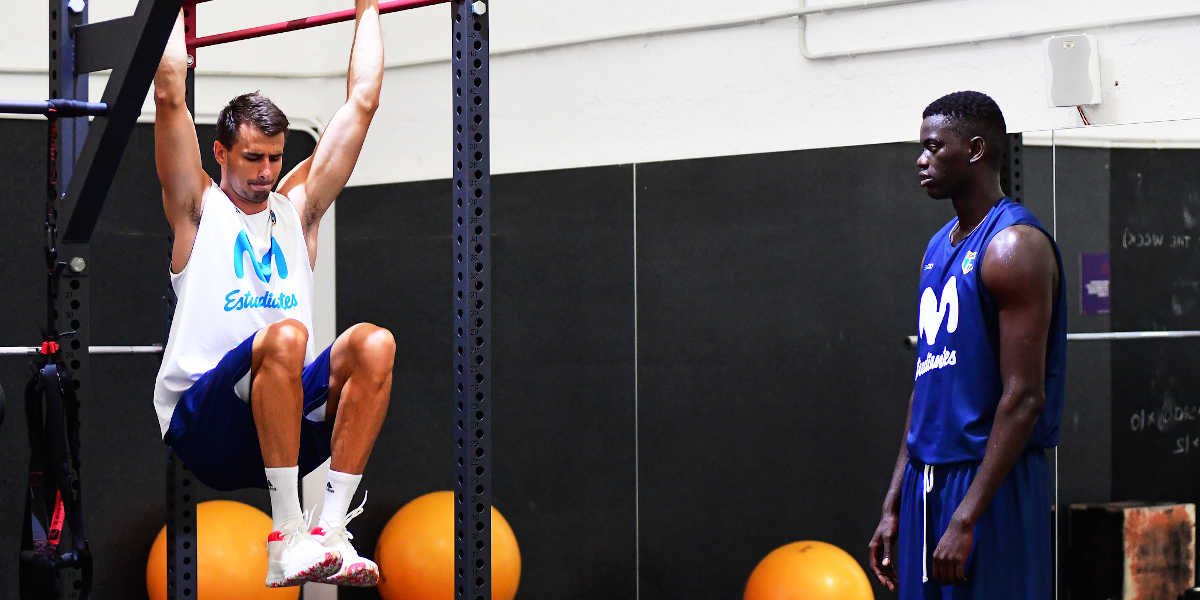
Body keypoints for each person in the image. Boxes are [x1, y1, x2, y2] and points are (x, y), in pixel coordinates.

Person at [151, 0, 392, 588]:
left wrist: (367, 7)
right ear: (220, 152)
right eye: (252, 157)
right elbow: (169, 93)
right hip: (205, 426)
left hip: (281, 423)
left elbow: (362, 101)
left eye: (275, 158)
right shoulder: (197, 209)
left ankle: (328, 532)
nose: (265, 171)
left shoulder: (297, 211)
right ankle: (286, 535)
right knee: (286, 338)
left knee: (374, 344)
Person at [867, 91, 1067, 599]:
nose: (921, 160)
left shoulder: (1013, 246)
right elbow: (927, 382)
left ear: (975, 149)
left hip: (989, 481)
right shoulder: (938, 247)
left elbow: (1024, 397)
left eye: (934, 147)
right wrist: (894, 501)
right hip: (926, 479)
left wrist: (965, 516)